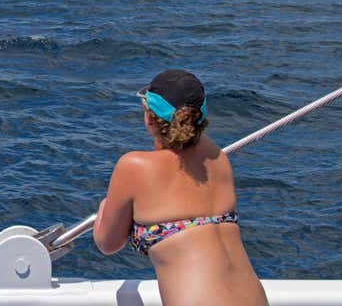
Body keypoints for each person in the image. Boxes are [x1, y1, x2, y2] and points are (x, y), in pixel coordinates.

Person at [92, 69, 267, 306]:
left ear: (149, 118)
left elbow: (108, 243)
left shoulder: (133, 167)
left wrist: (105, 206)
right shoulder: (218, 159)